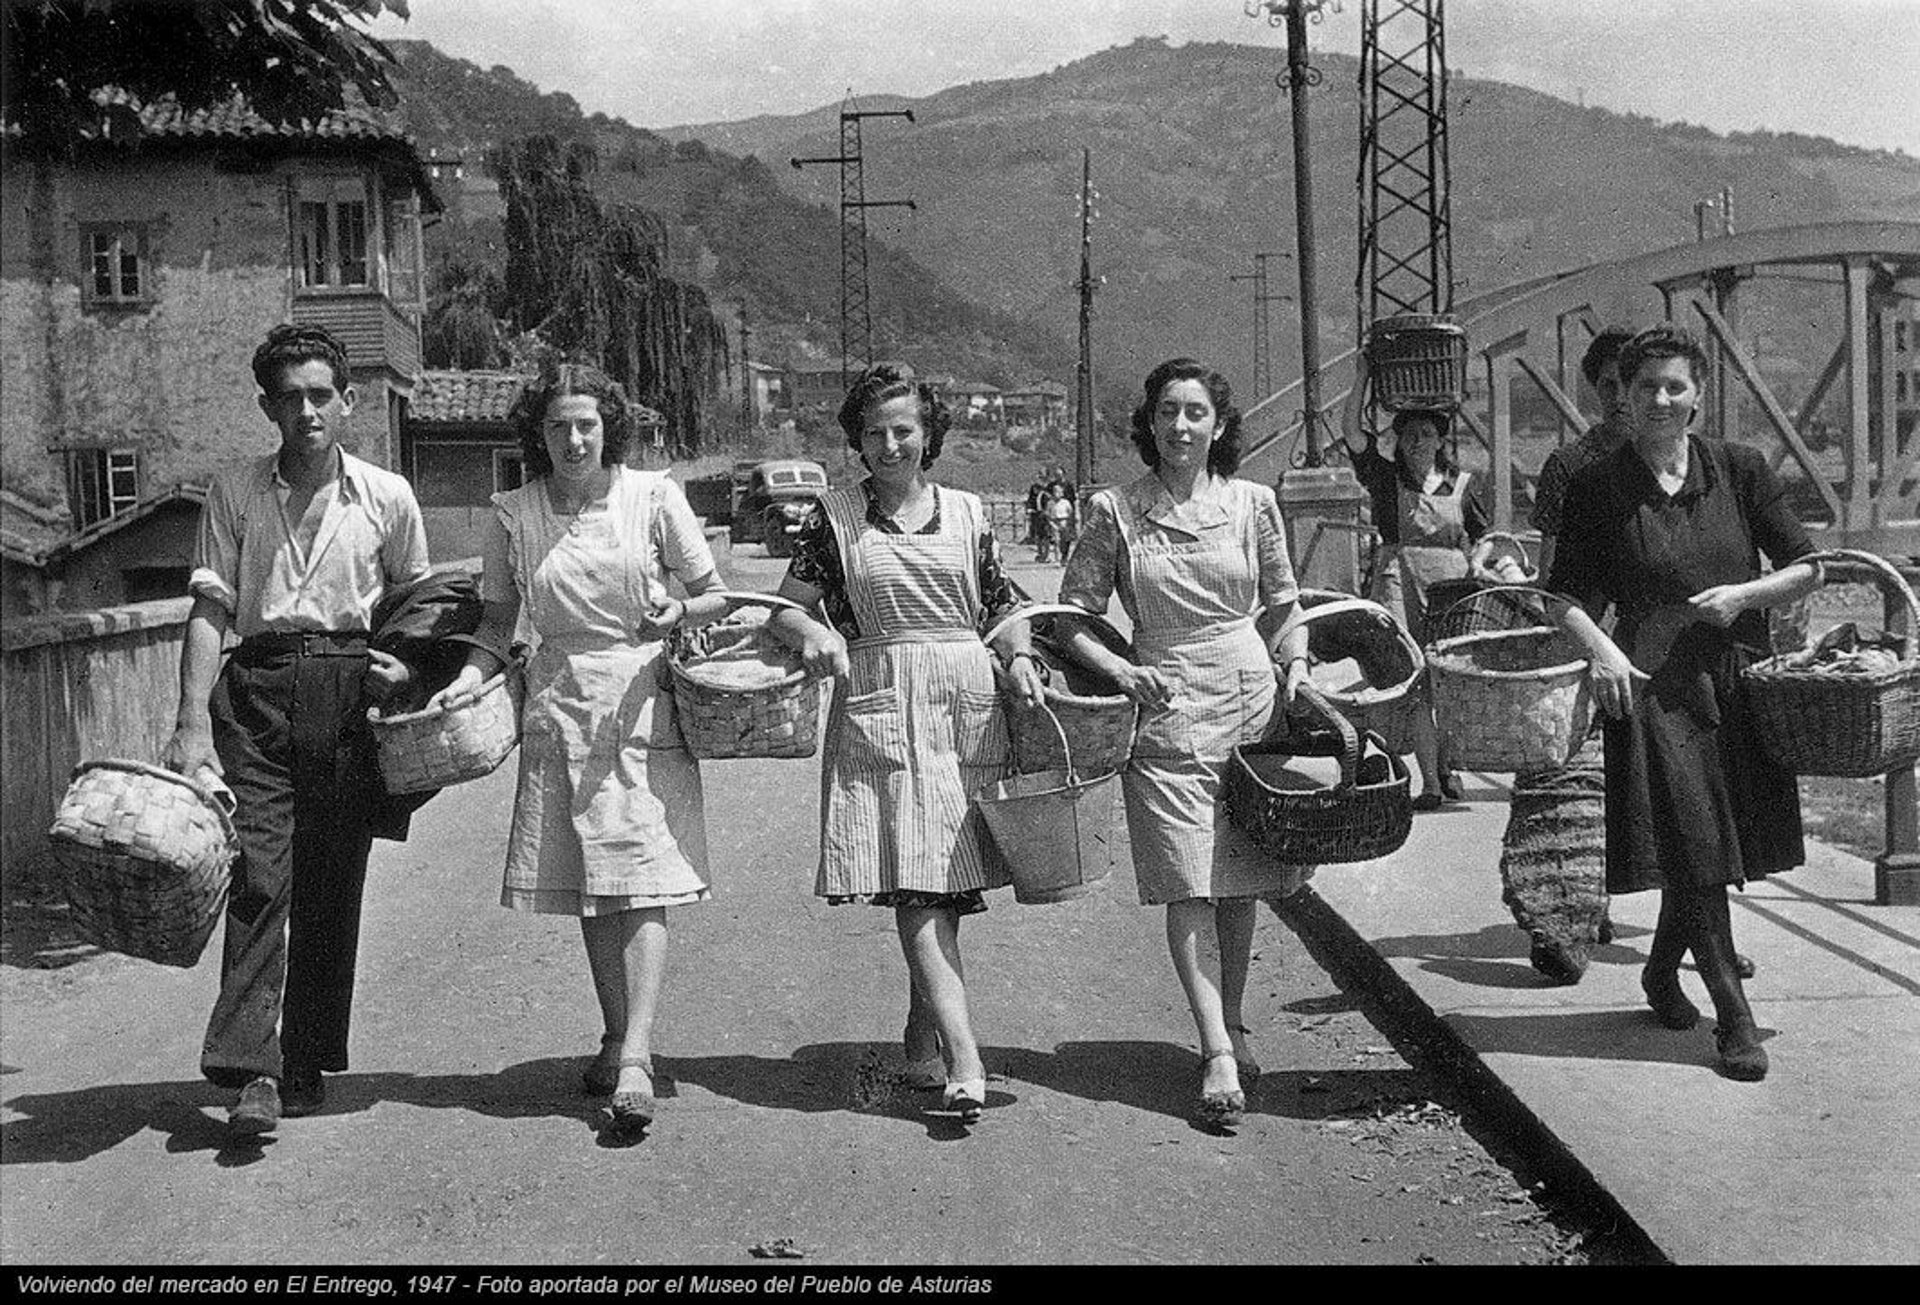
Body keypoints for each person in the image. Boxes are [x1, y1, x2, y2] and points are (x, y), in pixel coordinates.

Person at [429, 362, 729, 1137]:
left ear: (609, 428)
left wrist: (677, 611)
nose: (573, 439)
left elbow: (714, 594)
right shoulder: (514, 512)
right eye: (558, 425)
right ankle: (617, 1037)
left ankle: (637, 1055)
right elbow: (496, 622)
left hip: (641, 696)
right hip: (559, 701)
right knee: (596, 880)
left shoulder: (653, 496)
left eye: (587, 424)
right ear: (539, 432)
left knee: (643, 876)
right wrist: (464, 681)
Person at [161, 324, 430, 1135]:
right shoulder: (235, 491)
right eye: (290, 398)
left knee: (330, 879)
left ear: (348, 401)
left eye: (321, 395)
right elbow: (209, 608)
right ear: (267, 407)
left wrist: (407, 670)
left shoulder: (386, 495)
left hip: (350, 693)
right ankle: (253, 1068)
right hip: (258, 687)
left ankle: (305, 1059)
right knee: (258, 872)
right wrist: (190, 723)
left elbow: (418, 602)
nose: (307, 411)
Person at [767, 364, 1042, 1127]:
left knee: (944, 878)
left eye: (903, 430)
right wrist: (815, 630)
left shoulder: (968, 513)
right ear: (856, 439)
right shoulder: (833, 518)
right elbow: (783, 610)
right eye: (874, 432)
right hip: (882, 699)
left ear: (928, 435)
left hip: (965, 703)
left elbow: (1002, 606)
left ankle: (920, 1044)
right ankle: (965, 1057)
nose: (889, 445)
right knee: (917, 882)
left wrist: (1020, 655)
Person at [1546, 325, 1819, 1082]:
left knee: (1707, 846)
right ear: (1625, 398)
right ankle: (1734, 1017)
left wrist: (1745, 596)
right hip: (1653, 688)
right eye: (1647, 387)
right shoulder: (1598, 488)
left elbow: (1808, 566)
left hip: (1735, 679)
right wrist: (1601, 651)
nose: (1662, 400)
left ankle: (1660, 971)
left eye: (1676, 386)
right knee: (1696, 845)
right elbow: (1562, 598)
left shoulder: (1740, 469)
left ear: (1698, 394)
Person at [1056, 358, 1312, 1131]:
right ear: (1149, 421)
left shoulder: (1253, 503)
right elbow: (1070, 619)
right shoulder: (1115, 510)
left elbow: (1284, 604)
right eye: (1167, 411)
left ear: (1219, 425)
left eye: (1195, 412)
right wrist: (1121, 670)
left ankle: (1231, 1019)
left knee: (1238, 878)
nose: (1180, 426)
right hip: (1163, 708)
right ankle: (1216, 1049)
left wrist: (1298, 664)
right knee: (1187, 879)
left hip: (1249, 704)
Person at [1339, 355, 1509, 809]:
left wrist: (1479, 560)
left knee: (1449, 679)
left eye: (1426, 434)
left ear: (1439, 441)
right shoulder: (1384, 478)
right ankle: (1431, 782)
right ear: (1398, 440)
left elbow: (1486, 535)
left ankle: (1447, 767)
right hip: (1399, 583)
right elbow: (1352, 431)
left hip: (1450, 590)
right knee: (1412, 679)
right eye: (1409, 435)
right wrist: (1362, 375)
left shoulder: (1462, 484)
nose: (1417, 442)